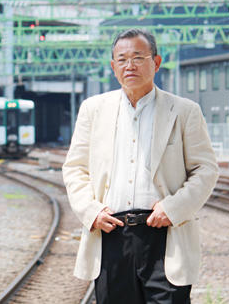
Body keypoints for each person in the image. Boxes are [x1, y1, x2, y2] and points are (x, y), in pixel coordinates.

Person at [62, 29, 219, 303]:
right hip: (111, 234)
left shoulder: (184, 111)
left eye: (138, 57)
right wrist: (91, 211)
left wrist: (174, 207)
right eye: (121, 59)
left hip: (165, 236)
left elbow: (205, 170)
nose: (129, 66)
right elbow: (75, 168)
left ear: (156, 62)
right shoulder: (93, 109)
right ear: (113, 67)